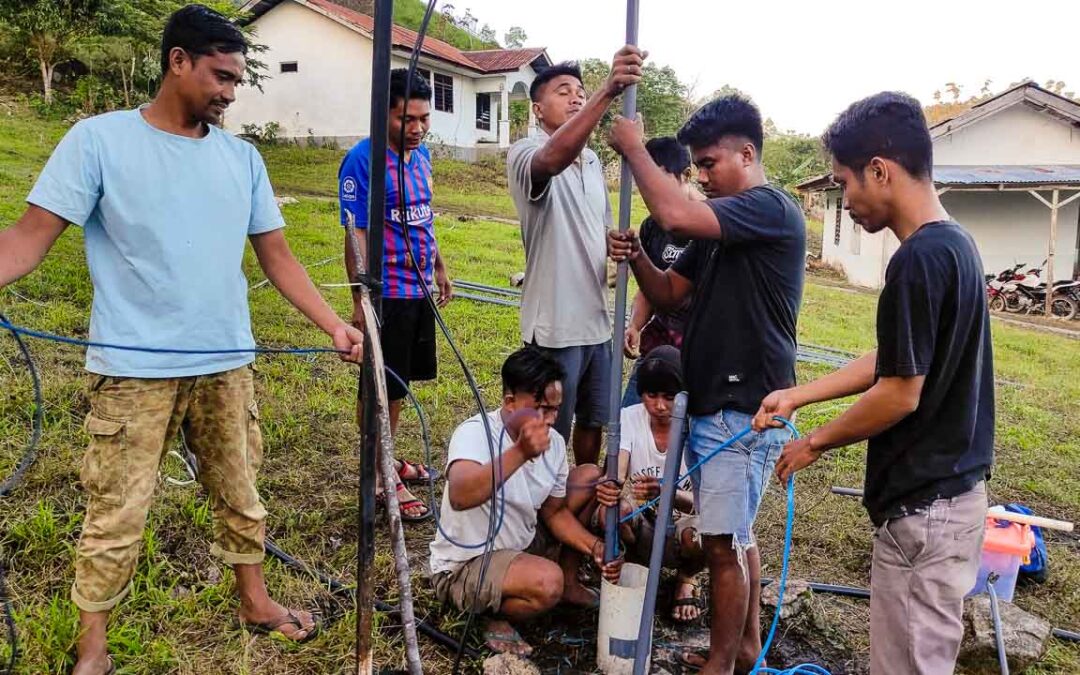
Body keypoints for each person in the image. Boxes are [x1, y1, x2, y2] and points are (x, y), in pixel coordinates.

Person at [0, 6, 364, 674]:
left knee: (242, 492)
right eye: (221, 76)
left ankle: (255, 601)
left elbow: (277, 255)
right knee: (117, 509)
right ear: (177, 62)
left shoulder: (241, 158)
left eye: (236, 80)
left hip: (227, 364)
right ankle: (94, 651)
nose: (230, 91)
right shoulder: (98, 142)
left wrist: (335, 324)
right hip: (133, 370)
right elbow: (27, 237)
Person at [754, 92, 994, 675]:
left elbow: (899, 391)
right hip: (951, 498)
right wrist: (800, 393)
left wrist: (813, 443)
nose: (847, 200)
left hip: (926, 510)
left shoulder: (916, 260)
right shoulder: (954, 244)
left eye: (844, 182)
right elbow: (897, 356)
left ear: (880, 170)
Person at [607, 95, 806, 674]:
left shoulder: (770, 208)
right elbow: (672, 293)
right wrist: (639, 257)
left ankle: (721, 666)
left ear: (747, 153)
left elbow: (673, 213)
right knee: (734, 535)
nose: (701, 176)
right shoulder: (722, 225)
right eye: (695, 166)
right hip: (715, 402)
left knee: (723, 542)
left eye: (710, 163)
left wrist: (634, 147)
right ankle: (741, 651)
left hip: (747, 407)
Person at [428, 346, 623, 656]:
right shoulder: (475, 433)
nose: (551, 419)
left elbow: (555, 512)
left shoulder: (555, 444)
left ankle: (568, 581)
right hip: (467, 564)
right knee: (548, 583)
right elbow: (461, 495)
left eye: (557, 409)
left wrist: (595, 547)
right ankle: (491, 616)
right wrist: (519, 453)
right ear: (510, 403)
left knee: (587, 476)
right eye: (542, 409)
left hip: (519, 544)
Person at [506, 47, 645, 465]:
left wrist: (617, 245)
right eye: (563, 91)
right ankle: (546, 503)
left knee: (593, 421)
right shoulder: (525, 152)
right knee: (553, 424)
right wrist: (608, 90)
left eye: (580, 91)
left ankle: (579, 496)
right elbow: (552, 158)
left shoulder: (590, 162)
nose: (576, 97)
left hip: (597, 322)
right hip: (555, 324)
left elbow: (600, 232)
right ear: (537, 108)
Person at [339, 68, 452, 522]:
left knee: (402, 385)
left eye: (424, 119)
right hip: (389, 294)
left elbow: (422, 218)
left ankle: (390, 457)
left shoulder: (420, 157)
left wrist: (439, 265)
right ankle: (380, 476)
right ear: (381, 113)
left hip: (420, 288)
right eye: (407, 119)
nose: (418, 129)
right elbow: (355, 233)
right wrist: (360, 299)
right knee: (383, 386)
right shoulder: (363, 160)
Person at [600, 346, 704, 622]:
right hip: (643, 525)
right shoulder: (629, 418)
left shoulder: (699, 428)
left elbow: (705, 504)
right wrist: (611, 484)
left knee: (706, 532)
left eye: (670, 397)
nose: (659, 406)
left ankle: (686, 578)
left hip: (684, 525)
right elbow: (617, 473)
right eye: (651, 395)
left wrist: (666, 492)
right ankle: (633, 563)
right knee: (614, 510)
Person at [621, 137, 702, 408]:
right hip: (659, 343)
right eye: (644, 183)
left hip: (698, 352)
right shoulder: (651, 227)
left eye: (659, 180)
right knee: (628, 419)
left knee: (680, 434)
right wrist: (635, 325)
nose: (651, 192)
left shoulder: (710, 223)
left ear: (686, 175)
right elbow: (648, 288)